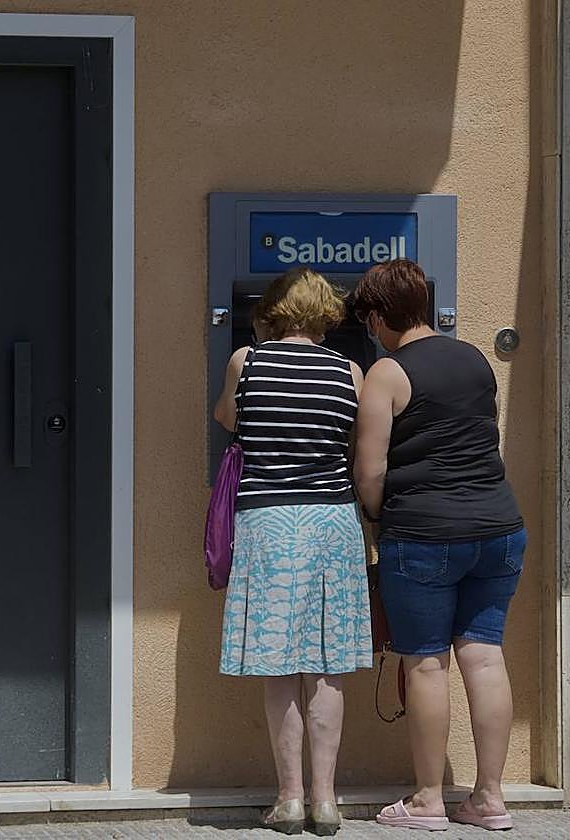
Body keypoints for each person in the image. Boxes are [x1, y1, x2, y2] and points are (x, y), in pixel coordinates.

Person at [352, 259, 526, 832]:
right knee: (484, 654)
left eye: (368, 320)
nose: (370, 330)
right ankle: (490, 798)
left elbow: (370, 469)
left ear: (379, 315)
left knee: (425, 662)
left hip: (425, 533)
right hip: (499, 529)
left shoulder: (387, 373)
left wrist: (376, 517)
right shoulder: (474, 357)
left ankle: (428, 799)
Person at [213, 266, 374, 836]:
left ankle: (289, 799)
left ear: (274, 311)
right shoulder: (350, 371)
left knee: (280, 666)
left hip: (269, 522)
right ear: (326, 312)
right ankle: (327, 802)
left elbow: (227, 419)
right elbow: (357, 440)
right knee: (327, 665)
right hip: (332, 521)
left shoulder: (246, 362)